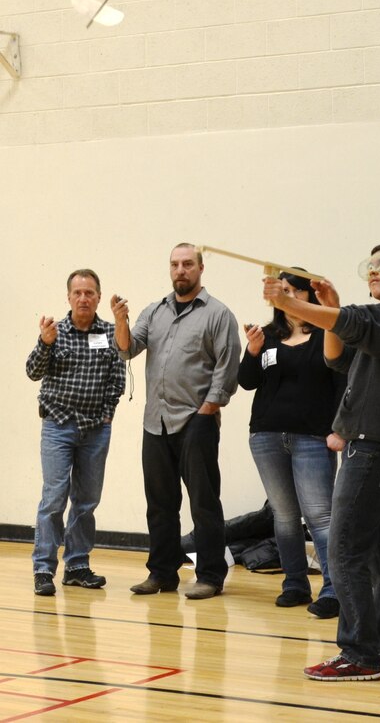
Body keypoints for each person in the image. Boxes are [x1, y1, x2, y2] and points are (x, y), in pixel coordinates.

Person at [263, 244, 380, 681]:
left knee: (344, 547)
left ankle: (359, 653)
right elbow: (336, 357)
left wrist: (291, 303)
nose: (374, 271)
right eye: (371, 265)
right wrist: (329, 309)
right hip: (376, 444)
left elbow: (357, 321)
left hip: (376, 445)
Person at [112, 243, 241, 600]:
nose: (180, 270)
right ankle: (162, 574)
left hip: (196, 421)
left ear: (200, 269)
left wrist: (209, 409)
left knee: (203, 503)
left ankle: (211, 576)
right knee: (160, 502)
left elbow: (227, 367)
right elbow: (126, 349)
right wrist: (121, 320)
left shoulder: (217, 314)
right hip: (156, 421)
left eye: (187, 264)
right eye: (174, 264)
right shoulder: (154, 311)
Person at [238, 270, 345, 619]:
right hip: (267, 435)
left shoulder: (326, 332)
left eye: (291, 291)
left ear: (306, 295)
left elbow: (341, 384)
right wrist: (252, 352)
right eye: (279, 291)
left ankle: (333, 589)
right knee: (284, 516)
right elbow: (247, 382)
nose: (283, 296)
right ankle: (295, 583)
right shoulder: (267, 336)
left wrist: (339, 430)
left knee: (320, 516)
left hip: (314, 437)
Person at [26, 269, 126, 597]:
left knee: (85, 501)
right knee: (54, 499)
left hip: (95, 431)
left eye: (90, 293)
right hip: (57, 426)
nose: (84, 298)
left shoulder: (110, 333)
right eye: (78, 293)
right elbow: (32, 371)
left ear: (98, 297)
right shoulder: (55, 332)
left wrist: (108, 414)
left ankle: (77, 565)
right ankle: (43, 568)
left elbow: (117, 379)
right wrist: (44, 343)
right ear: (68, 297)